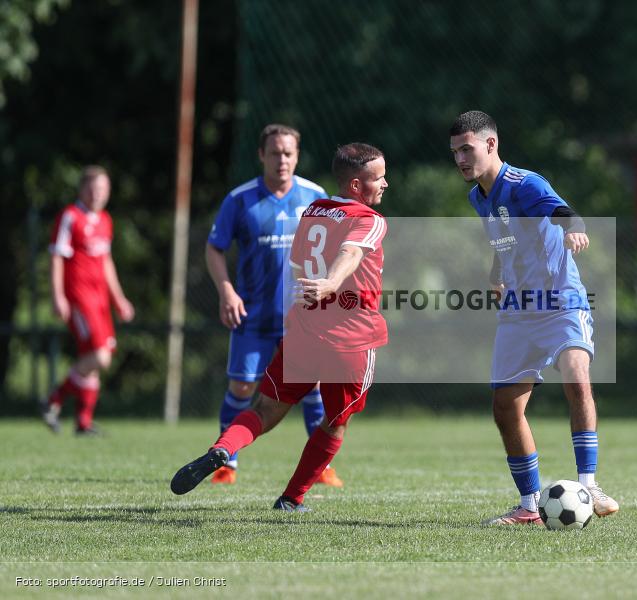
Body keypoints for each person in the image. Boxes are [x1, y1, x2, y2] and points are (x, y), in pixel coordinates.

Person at [171, 142, 389, 512]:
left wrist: (320, 287)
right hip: (349, 339)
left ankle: (223, 449)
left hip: (305, 331)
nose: (385, 184)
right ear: (355, 185)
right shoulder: (369, 219)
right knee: (335, 423)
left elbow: (300, 263)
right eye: (378, 178)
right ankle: (291, 498)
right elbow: (350, 253)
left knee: (264, 409)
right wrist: (333, 283)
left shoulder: (314, 210)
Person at [449, 110, 618, 525]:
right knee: (505, 408)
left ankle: (589, 484)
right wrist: (496, 275)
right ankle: (529, 506)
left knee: (577, 376)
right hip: (518, 313)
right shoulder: (478, 197)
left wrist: (573, 227)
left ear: (491, 145)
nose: (460, 159)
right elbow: (503, 240)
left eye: (467, 149)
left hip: (561, 302)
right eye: (455, 152)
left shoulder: (524, 184)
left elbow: (561, 210)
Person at [205, 123, 342, 487]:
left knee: (312, 388)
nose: (282, 159)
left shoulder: (315, 196)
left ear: (296, 156)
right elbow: (214, 248)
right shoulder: (240, 199)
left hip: (302, 319)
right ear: (261, 155)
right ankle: (225, 463)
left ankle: (321, 468)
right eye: (275, 152)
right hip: (253, 317)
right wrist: (226, 291)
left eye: (288, 153)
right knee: (242, 389)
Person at [42, 166, 134, 434]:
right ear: (81, 189)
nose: (97, 194)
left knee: (91, 359)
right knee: (99, 357)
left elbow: (106, 262)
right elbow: (57, 257)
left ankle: (82, 422)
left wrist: (119, 300)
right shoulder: (70, 217)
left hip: (100, 299)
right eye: (92, 189)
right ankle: (53, 399)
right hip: (79, 297)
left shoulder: (105, 220)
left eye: (103, 189)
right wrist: (57, 295)